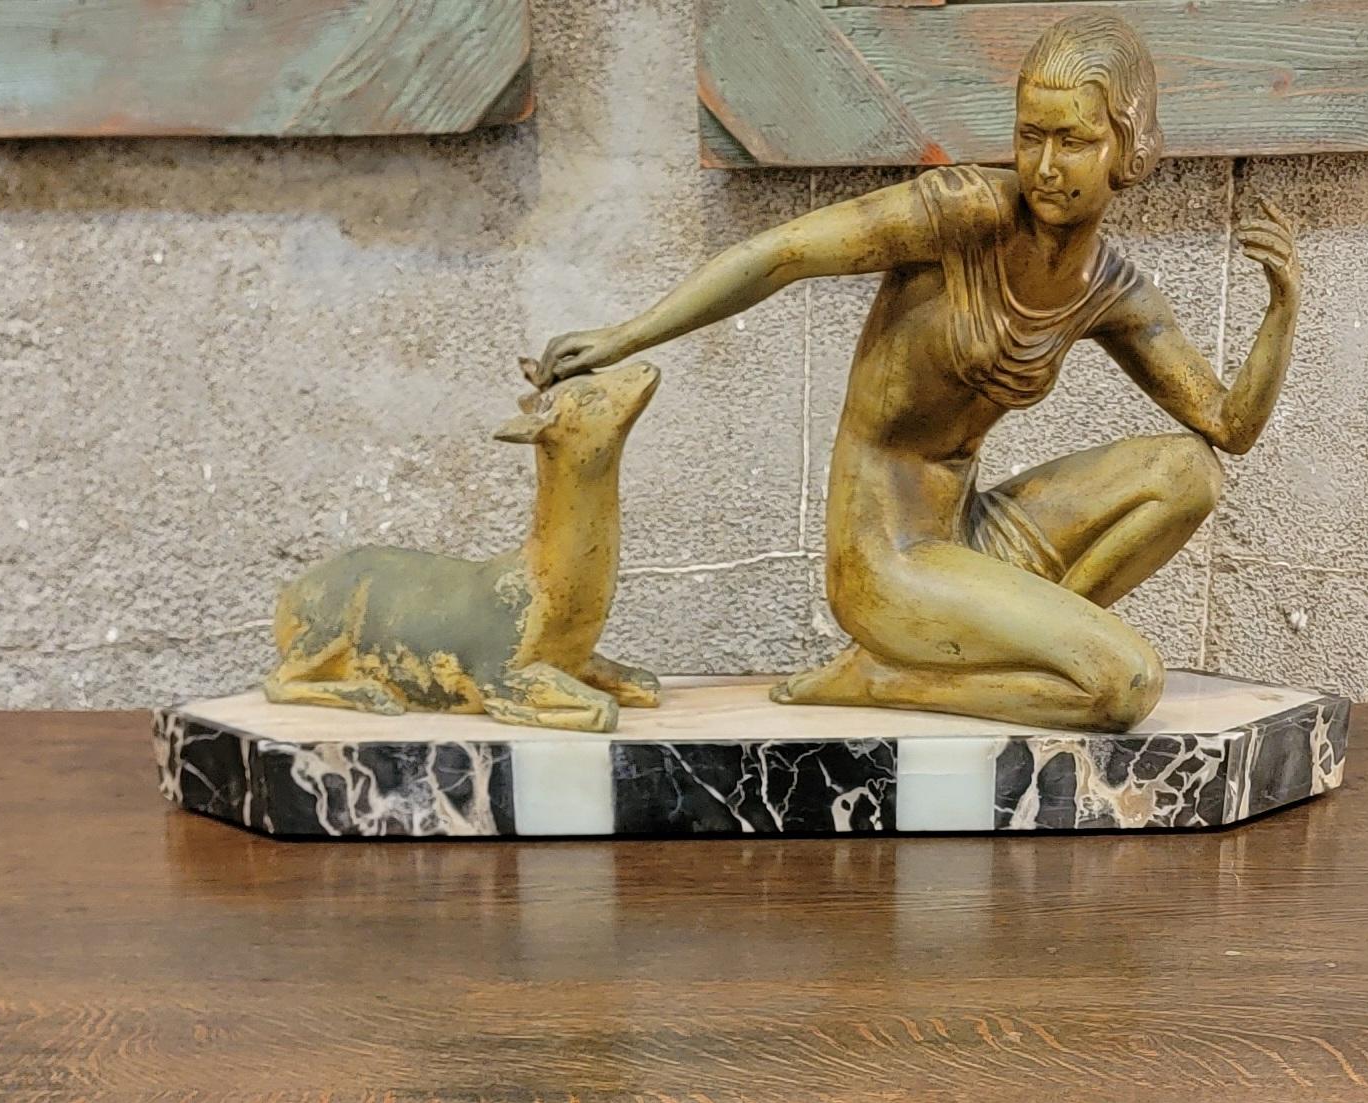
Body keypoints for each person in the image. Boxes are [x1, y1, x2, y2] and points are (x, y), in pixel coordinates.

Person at [529, 11, 1297, 731]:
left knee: (1188, 471)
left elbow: (1229, 426)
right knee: (1126, 686)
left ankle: (1004, 650)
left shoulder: (1110, 291)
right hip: (884, 557)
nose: (1046, 166)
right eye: (1031, 136)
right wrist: (625, 337)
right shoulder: (965, 213)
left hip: (966, 536)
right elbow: (781, 255)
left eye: (1075, 141)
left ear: (1129, 150)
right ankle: (887, 674)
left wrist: (1281, 310)